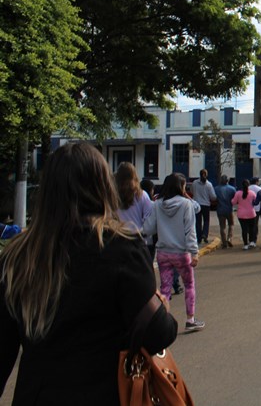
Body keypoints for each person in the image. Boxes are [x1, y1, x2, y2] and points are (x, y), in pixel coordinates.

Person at [0, 143, 177, 403]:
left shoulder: (18, 257)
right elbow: (158, 334)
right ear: (103, 188)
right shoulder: (121, 248)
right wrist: (162, 308)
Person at [143, 172, 206, 332]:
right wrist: (194, 252)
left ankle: (162, 323)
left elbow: (148, 228)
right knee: (189, 285)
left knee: (165, 288)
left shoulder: (157, 204)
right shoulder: (186, 204)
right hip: (181, 253)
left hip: (163, 252)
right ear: (181, 187)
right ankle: (190, 319)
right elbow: (190, 230)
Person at [115, 161, 155, 257]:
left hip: (117, 238)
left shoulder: (111, 195)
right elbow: (149, 219)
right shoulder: (142, 195)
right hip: (137, 239)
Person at [191, 168, 217, 245]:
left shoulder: (195, 183)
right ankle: (205, 234)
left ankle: (198, 238)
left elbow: (192, 191)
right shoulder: (209, 185)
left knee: (197, 222)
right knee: (206, 221)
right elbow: (213, 197)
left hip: (196, 204)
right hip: (206, 205)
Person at [232, 179, 258, 250]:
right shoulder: (252, 193)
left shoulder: (238, 193)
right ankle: (252, 241)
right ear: (249, 185)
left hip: (241, 214)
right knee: (252, 228)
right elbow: (255, 201)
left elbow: (233, 202)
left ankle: (245, 244)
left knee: (244, 229)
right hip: (251, 213)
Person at [214, 174, 237, 248]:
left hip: (220, 209)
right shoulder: (232, 189)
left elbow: (214, 198)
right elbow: (234, 199)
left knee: (222, 226)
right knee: (231, 224)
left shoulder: (216, 189)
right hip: (229, 209)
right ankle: (229, 238)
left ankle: (224, 243)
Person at [248, 177, 261, 247]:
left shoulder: (248, 188)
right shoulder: (259, 189)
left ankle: (250, 239)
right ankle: (254, 239)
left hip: (248, 209)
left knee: (249, 224)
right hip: (257, 209)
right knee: (255, 224)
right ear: (256, 181)